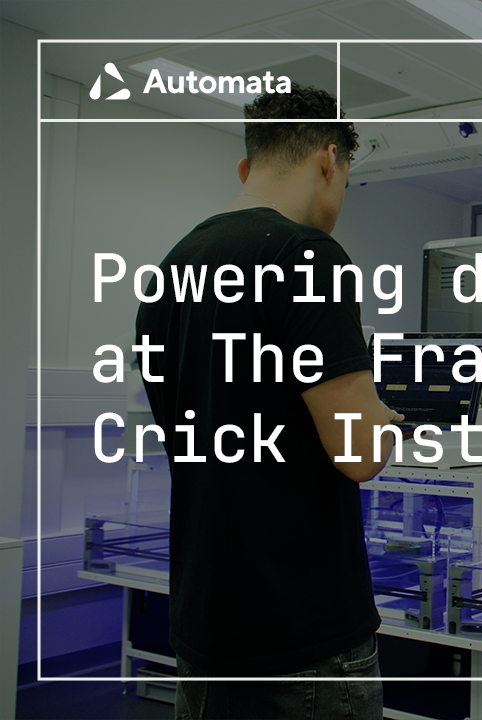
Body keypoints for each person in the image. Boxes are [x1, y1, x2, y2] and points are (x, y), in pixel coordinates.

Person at [135, 86, 401, 720]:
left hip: (205, 626)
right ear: (330, 160)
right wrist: (387, 419)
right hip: (301, 637)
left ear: (246, 168)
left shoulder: (170, 272)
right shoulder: (306, 255)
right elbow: (360, 455)